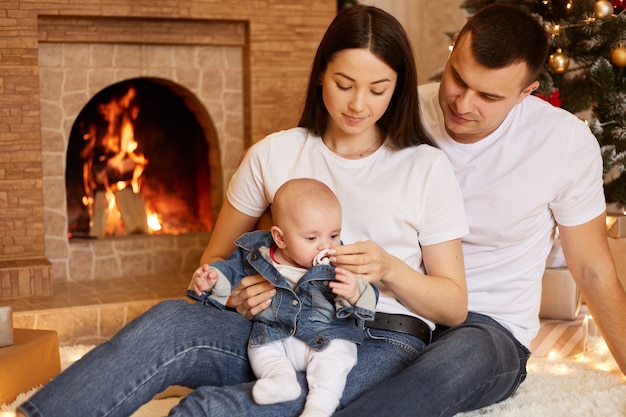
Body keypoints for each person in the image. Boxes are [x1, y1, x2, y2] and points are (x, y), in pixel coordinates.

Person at [17, 5, 469, 417]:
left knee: (218, 410)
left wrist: (388, 269)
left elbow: (453, 307)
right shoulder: (273, 154)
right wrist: (233, 297)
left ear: (398, 89)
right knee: (170, 321)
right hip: (273, 333)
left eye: (377, 89)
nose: (358, 104)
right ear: (320, 75)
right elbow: (213, 260)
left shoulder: (424, 167)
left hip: (375, 339)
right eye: (344, 84)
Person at [331, 4, 626, 416]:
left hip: (487, 328)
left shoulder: (564, 143)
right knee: (302, 374)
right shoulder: (400, 112)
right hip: (389, 311)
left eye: (488, 96)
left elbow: (592, 268)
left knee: (423, 387)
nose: (463, 104)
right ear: (452, 53)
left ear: (528, 92)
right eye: (457, 79)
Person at [189, 178, 378, 417]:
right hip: (275, 333)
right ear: (280, 238)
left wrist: (356, 292)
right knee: (260, 348)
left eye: (333, 235)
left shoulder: (337, 261)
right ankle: (279, 379)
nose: (325, 246)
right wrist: (212, 279)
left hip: (325, 335)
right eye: (312, 238)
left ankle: (319, 408)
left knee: (338, 358)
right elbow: (229, 271)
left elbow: (368, 292)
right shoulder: (257, 255)